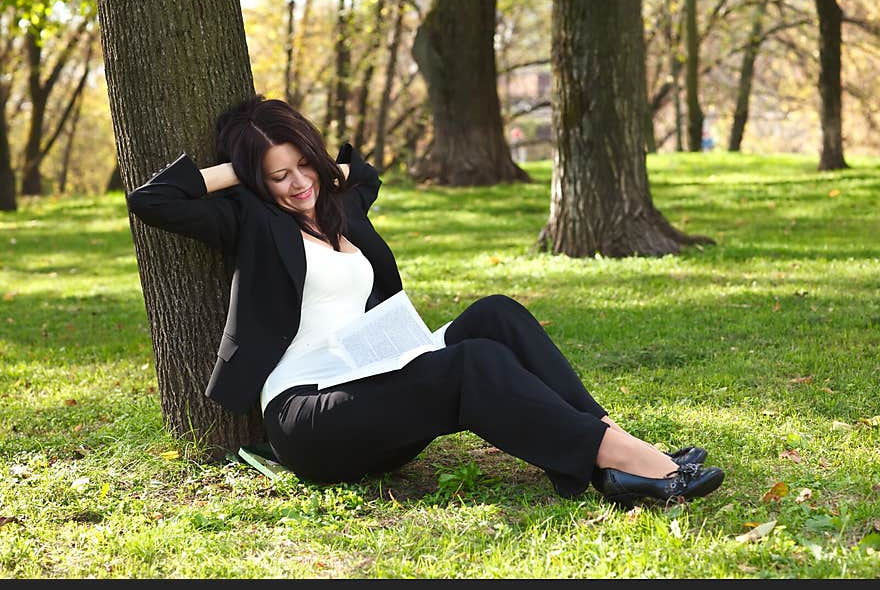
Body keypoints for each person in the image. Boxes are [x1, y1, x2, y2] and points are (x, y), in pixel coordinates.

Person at [126, 94, 724, 509]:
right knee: (473, 364)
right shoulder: (252, 221)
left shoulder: (341, 210)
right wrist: (243, 168)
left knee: (496, 315)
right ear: (258, 183)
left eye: (302, 165)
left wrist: (297, 152)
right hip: (310, 415)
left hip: (375, 381)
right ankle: (637, 464)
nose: (298, 183)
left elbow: (363, 175)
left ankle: (610, 449)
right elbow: (154, 200)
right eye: (278, 176)